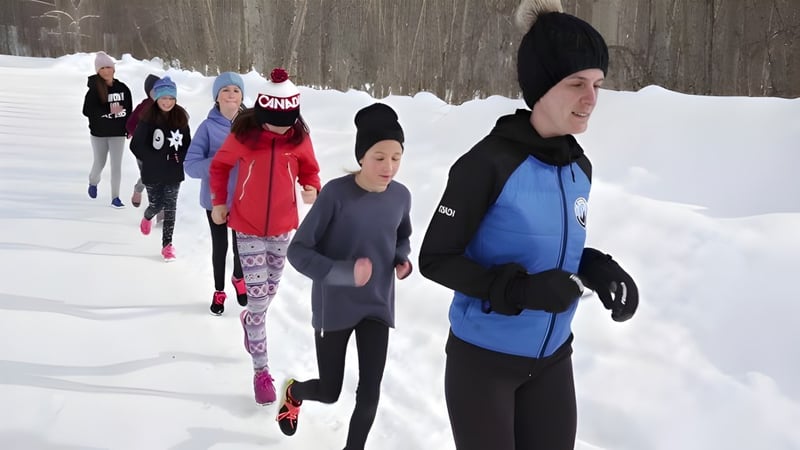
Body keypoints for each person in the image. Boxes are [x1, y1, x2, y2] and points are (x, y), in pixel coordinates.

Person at [417, 1, 639, 449]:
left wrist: (596, 266)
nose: (591, 98)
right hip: (484, 364)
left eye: (598, 84)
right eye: (577, 83)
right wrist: (520, 291)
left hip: (554, 361)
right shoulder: (488, 163)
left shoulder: (580, 168)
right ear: (541, 87)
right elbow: (435, 260)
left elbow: (551, 246)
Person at [277, 103, 412, 449]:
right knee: (330, 391)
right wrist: (343, 273)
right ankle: (294, 392)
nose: (389, 167)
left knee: (370, 393)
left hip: (377, 306)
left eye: (396, 157)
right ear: (362, 156)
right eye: (379, 157)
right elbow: (298, 251)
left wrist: (401, 259)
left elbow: (401, 235)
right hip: (334, 306)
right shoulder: (336, 195)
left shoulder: (401, 196)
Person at [209, 68, 321, 405]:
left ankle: (250, 320)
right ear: (261, 114)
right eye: (274, 121)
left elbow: (310, 168)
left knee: (269, 292)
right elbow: (219, 167)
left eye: (286, 122)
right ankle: (261, 371)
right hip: (246, 226)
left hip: (283, 227)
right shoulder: (245, 137)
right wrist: (218, 203)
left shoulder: (298, 139)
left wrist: (311, 186)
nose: (280, 128)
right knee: (258, 300)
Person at [185, 72, 248, 315]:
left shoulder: (250, 126)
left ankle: (239, 279)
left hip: (244, 198)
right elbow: (190, 166)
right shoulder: (207, 127)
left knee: (242, 247)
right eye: (225, 90)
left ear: (242, 96)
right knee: (220, 246)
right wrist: (219, 162)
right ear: (217, 98)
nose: (231, 94)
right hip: (216, 200)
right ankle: (219, 290)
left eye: (236, 90)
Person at [130, 76, 191, 262]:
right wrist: (152, 157)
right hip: (152, 171)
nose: (167, 102)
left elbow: (187, 144)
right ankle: (148, 216)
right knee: (157, 205)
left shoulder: (180, 118)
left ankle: (167, 246)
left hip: (173, 171)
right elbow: (135, 146)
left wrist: (178, 157)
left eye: (171, 98)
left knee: (170, 207)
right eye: (164, 98)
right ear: (157, 99)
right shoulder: (147, 119)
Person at [82, 51, 132, 208]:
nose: (106, 71)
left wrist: (130, 128)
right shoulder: (94, 90)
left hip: (117, 133)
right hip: (99, 134)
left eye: (108, 67)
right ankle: (93, 181)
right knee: (100, 162)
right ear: (98, 71)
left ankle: (115, 198)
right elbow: (87, 111)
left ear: (114, 69)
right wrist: (109, 111)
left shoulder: (123, 88)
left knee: (116, 166)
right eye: (102, 68)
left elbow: (129, 110)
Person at [126, 73, 160, 210]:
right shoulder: (144, 106)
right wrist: (137, 135)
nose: (159, 93)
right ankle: (138, 190)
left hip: (159, 149)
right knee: (148, 175)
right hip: (142, 149)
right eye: (155, 90)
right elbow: (130, 124)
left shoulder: (166, 105)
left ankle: (159, 211)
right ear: (149, 92)